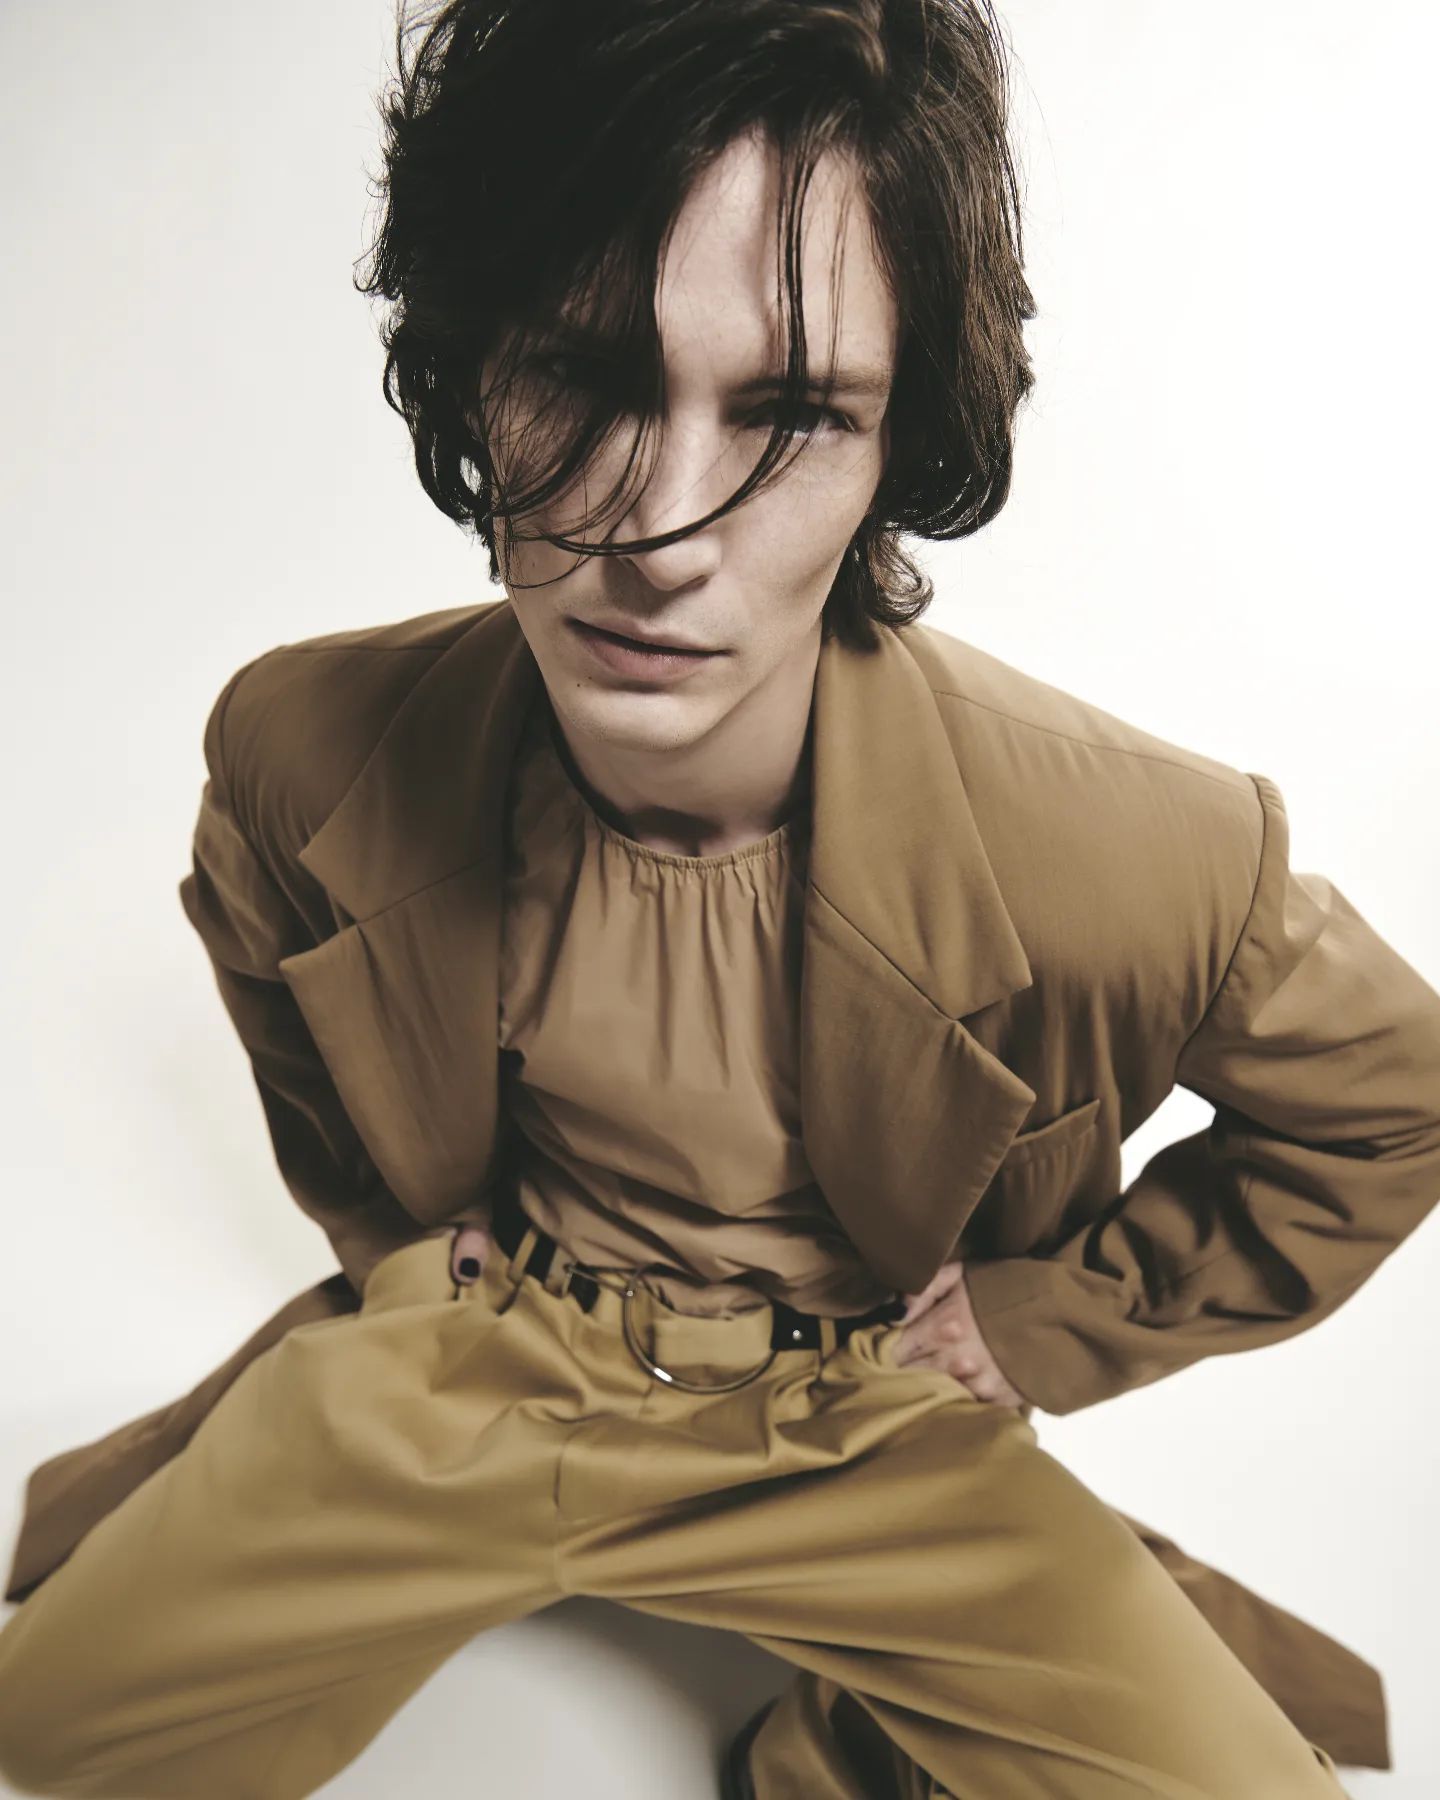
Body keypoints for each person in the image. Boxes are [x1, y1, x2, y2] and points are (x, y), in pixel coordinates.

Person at [0, 2, 1432, 1794]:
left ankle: (844, 1734)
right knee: (50, 1731)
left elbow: (1395, 1098)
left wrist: (1048, 1322)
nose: (662, 531)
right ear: (473, 366)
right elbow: (265, 940)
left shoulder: (1132, 856)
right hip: (488, 1361)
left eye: (792, 413)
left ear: (899, 441)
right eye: (587, 374)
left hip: (866, 1419)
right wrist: (391, 1246)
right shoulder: (309, 745)